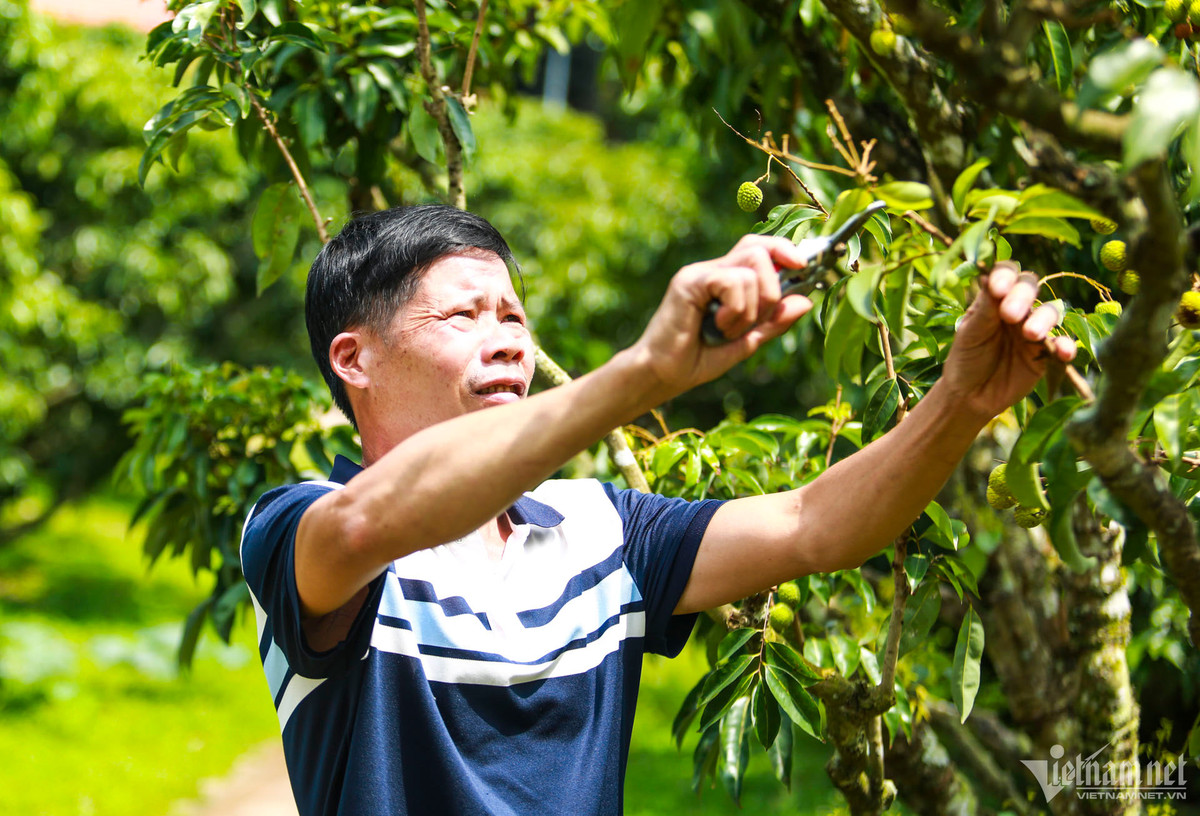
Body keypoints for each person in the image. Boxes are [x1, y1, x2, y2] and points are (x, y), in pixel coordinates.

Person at [240, 204, 1074, 816]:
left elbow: (815, 525)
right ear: (353, 359)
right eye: (464, 315)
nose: (510, 341)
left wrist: (961, 402)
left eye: (515, 317)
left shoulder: (599, 529)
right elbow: (372, 521)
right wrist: (644, 372)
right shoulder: (298, 525)